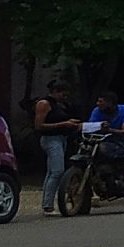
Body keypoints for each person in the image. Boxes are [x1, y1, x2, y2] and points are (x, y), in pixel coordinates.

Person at [32, 79, 83, 216]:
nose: (64, 98)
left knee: (52, 172)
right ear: (55, 92)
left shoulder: (59, 105)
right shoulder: (44, 104)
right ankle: (48, 206)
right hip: (51, 139)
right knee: (57, 171)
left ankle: (47, 202)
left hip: (62, 138)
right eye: (62, 94)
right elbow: (39, 125)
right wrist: (63, 124)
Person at [88, 89, 124, 208]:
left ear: (110, 103)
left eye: (101, 101)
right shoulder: (97, 112)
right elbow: (91, 126)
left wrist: (109, 130)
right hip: (107, 143)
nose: (98, 104)